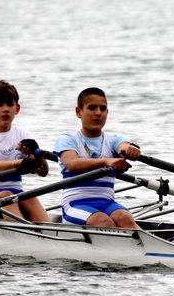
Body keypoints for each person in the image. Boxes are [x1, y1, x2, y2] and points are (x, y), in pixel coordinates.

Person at [53, 87, 142, 229]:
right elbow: (71, 164)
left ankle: (158, 248)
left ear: (107, 112)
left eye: (103, 109)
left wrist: (130, 149)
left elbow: (123, 146)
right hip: (76, 205)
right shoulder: (67, 139)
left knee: (125, 218)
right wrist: (106, 161)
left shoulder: (113, 140)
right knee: (104, 222)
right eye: (92, 108)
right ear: (78, 112)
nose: (98, 113)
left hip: (107, 204)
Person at [0, 80, 50, 223]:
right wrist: (20, 163)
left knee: (29, 195)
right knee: (7, 195)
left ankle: (48, 235)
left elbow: (43, 172)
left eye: (10, 104)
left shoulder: (24, 135)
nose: (5, 109)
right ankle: (25, 237)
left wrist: (38, 156)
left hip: (17, 195)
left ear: (17, 108)